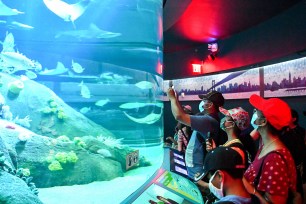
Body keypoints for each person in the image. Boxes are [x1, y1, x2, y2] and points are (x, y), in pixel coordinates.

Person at [243, 94, 299, 204]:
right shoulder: (265, 145)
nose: (254, 112)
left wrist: (251, 189)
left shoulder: (274, 159)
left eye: (257, 111)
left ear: (263, 122)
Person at [167, 88, 226, 181]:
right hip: (195, 167)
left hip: (198, 170)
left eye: (205, 100)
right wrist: (175, 98)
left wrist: (172, 99)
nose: (202, 102)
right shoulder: (207, 119)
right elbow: (183, 114)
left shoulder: (208, 121)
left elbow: (179, 116)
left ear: (210, 105)